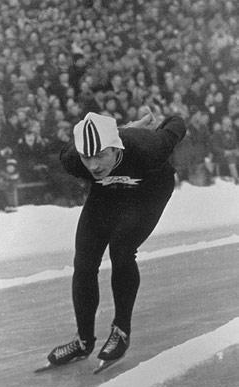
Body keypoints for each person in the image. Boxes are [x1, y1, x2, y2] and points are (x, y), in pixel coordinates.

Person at [46, 107, 186, 367]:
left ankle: (121, 330)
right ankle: (83, 340)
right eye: (87, 158)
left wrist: (146, 127)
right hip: (108, 191)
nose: (94, 165)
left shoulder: (149, 147)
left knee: (121, 250)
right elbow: (92, 158)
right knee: (84, 262)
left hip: (149, 190)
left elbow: (177, 123)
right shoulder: (72, 159)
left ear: (116, 147)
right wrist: (123, 129)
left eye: (100, 155)